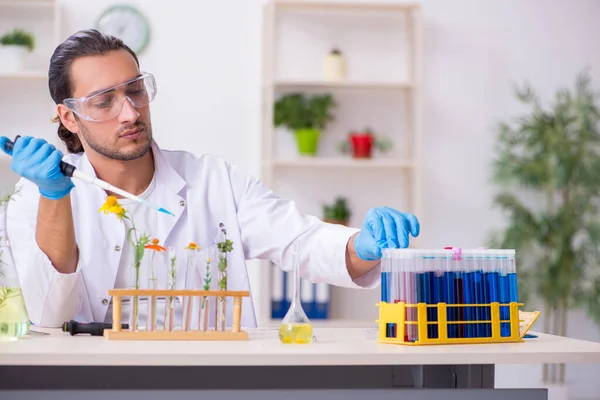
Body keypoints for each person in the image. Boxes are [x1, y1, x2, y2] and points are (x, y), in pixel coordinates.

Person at [0, 29, 420, 329]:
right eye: (104, 101)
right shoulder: (36, 195)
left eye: (135, 91)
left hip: (210, 381)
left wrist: (360, 244)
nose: (130, 112)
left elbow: (301, 242)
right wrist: (53, 195)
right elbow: (50, 316)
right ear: (69, 117)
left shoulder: (214, 182)